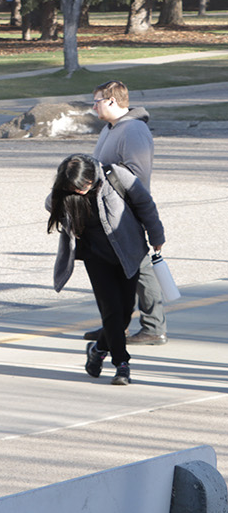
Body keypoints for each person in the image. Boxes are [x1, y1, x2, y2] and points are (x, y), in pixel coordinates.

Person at [48, 153, 164, 386]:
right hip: (96, 258)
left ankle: (99, 349)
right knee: (111, 311)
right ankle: (122, 365)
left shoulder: (115, 175)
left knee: (124, 312)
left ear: (93, 176)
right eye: (73, 187)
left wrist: (156, 236)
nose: (80, 191)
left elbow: (145, 204)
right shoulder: (65, 192)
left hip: (129, 253)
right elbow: (51, 204)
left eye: (84, 186)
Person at [87, 80, 166, 346]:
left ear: (111, 101)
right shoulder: (111, 128)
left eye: (97, 101)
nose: (93, 106)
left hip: (126, 212)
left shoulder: (133, 130)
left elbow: (137, 178)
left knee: (140, 269)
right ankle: (115, 326)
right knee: (119, 268)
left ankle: (153, 328)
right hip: (108, 209)